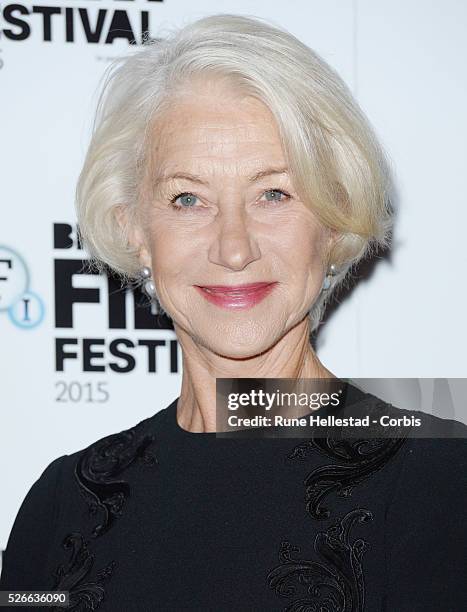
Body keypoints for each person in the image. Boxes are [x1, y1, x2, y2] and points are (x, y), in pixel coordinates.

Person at [1, 13, 466, 611]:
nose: (234, 246)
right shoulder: (63, 501)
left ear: (333, 218)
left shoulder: (441, 482)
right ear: (134, 228)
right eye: (188, 198)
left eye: (274, 193)